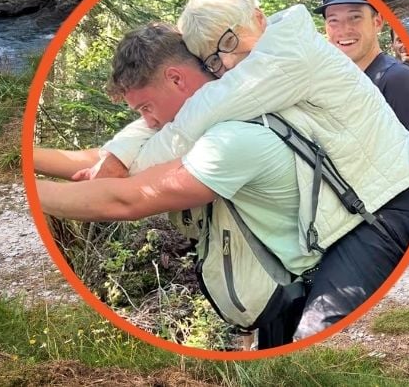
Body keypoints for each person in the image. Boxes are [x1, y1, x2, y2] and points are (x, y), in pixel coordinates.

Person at [75, 0, 409, 342]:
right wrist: (117, 152)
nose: (228, 63)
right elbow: (179, 110)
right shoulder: (265, 51)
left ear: (259, 18)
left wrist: (121, 172)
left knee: (319, 332)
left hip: (393, 202)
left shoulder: (287, 58)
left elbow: (198, 112)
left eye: (228, 44)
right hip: (358, 207)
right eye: (214, 60)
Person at [37, 23, 320, 346]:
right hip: (279, 293)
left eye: (146, 107)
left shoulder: (232, 138)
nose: (148, 121)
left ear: (175, 78)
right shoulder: (197, 119)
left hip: (303, 295)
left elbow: (127, 200)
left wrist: (28, 193)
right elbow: (109, 162)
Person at [315, 0, 409, 156]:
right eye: (333, 20)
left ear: (377, 22)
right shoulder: (339, 82)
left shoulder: (397, 78)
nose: (344, 30)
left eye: (355, 17)